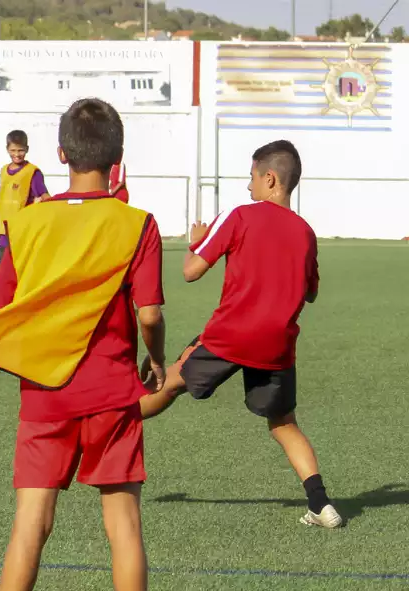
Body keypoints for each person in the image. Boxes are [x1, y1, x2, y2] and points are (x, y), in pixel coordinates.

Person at [0, 99, 169, 591]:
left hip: (45, 393)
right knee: (123, 525)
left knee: (31, 523)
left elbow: (4, 308)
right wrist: (156, 361)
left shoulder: (27, 221)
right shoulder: (137, 223)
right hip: (114, 392)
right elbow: (149, 314)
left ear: (62, 154)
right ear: (117, 157)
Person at [138, 140, 342, 530]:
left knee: (168, 382)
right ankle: (321, 503)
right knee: (283, 423)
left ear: (270, 178)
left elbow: (191, 271)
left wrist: (194, 241)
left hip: (232, 336)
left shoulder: (240, 215)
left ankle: (98, 432)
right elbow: (312, 292)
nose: (248, 187)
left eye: (251, 177)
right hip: (278, 344)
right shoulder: (306, 231)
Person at [0, 130, 50, 263]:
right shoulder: (3, 171)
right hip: (3, 229)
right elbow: (3, 201)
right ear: (7, 149)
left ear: (27, 149)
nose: (17, 154)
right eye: (13, 150)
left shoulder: (32, 172)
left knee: (15, 269)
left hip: (20, 229)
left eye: (21, 150)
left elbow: (45, 196)